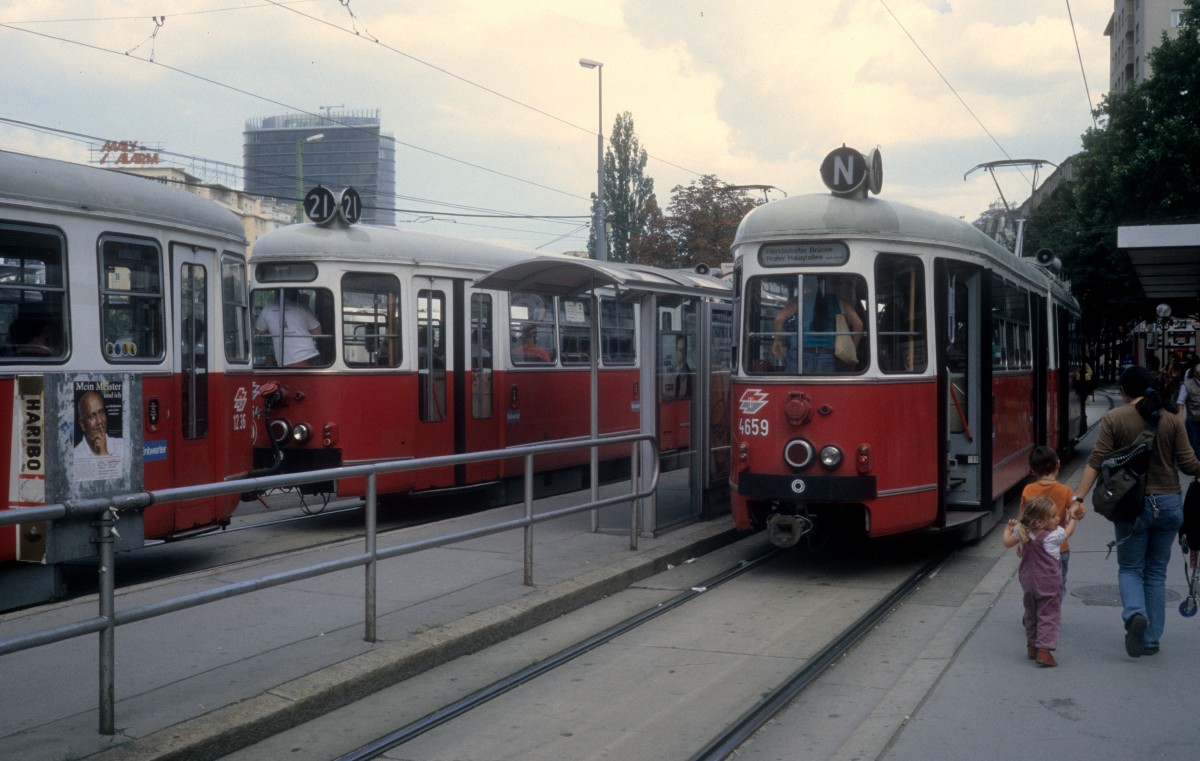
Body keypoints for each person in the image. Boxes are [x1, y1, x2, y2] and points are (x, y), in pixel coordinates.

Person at [1073, 365, 1200, 658]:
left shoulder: (1114, 418)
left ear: (1122, 391)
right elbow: (1189, 464)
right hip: (1169, 504)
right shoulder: (1172, 418)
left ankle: (1134, 613)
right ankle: (1152, 638)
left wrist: (1078, 497)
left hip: (1132, 506)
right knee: (1156, 572)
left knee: (1131, 568)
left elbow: (1096, 460)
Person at [1002, 496, 1077, 667]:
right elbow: (1068, 532)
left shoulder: (1022, 532)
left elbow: (1007, 542)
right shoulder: (1053, 536)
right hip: (1049, 582)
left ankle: (1031, 645)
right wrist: (1072, 519)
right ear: (1039, 522)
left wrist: (1007, 529)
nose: (1057, 518)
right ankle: (1044, 650)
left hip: (1028, 580)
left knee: (1031, 612)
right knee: (1048, 614)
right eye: (1052, 516)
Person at [1020, 446, 1084, 588]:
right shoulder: (1065, 490)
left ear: (1032, 469)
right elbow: (1079, 512)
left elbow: (1022, 520)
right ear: (1058, 464)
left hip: (1033, 547)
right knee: (1058, 586)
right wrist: (1073, 514)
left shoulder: (1028, 490)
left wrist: (1020, 543)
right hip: (1059, 549)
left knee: (1035, 584)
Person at [770, 277, 862, 373]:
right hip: (826, 354)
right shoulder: (837, 301)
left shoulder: (799, 300)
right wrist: (853, 348)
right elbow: (858, 324)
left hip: (800, 353)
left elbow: (779, 319)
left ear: (805, 285)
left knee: (795, 387)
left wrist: (777, 341)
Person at [254, 293, 322, 367]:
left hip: (289, 361)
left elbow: (258, 333)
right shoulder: (302, 307)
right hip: (310, 356)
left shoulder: (267, 309)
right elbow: (318, 332)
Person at [74, 390, 127, 460]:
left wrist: (104, 453)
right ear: (83, 424)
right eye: (92, 416)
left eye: (101, 412)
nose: (99, 421)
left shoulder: (122, 445)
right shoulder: (75, 455)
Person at [1177, 355, 1200, 459]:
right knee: (1194, 444)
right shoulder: (1186, 385)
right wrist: (1180, 418)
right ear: (1195, 374)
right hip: (1193, 421)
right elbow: (1180, 403)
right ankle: (1197, 469)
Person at [673, 335, 692, 399]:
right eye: (680, 350)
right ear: (676, 351)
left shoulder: (689, 374)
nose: (682, 354)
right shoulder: (670, 370)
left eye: (684, 350)